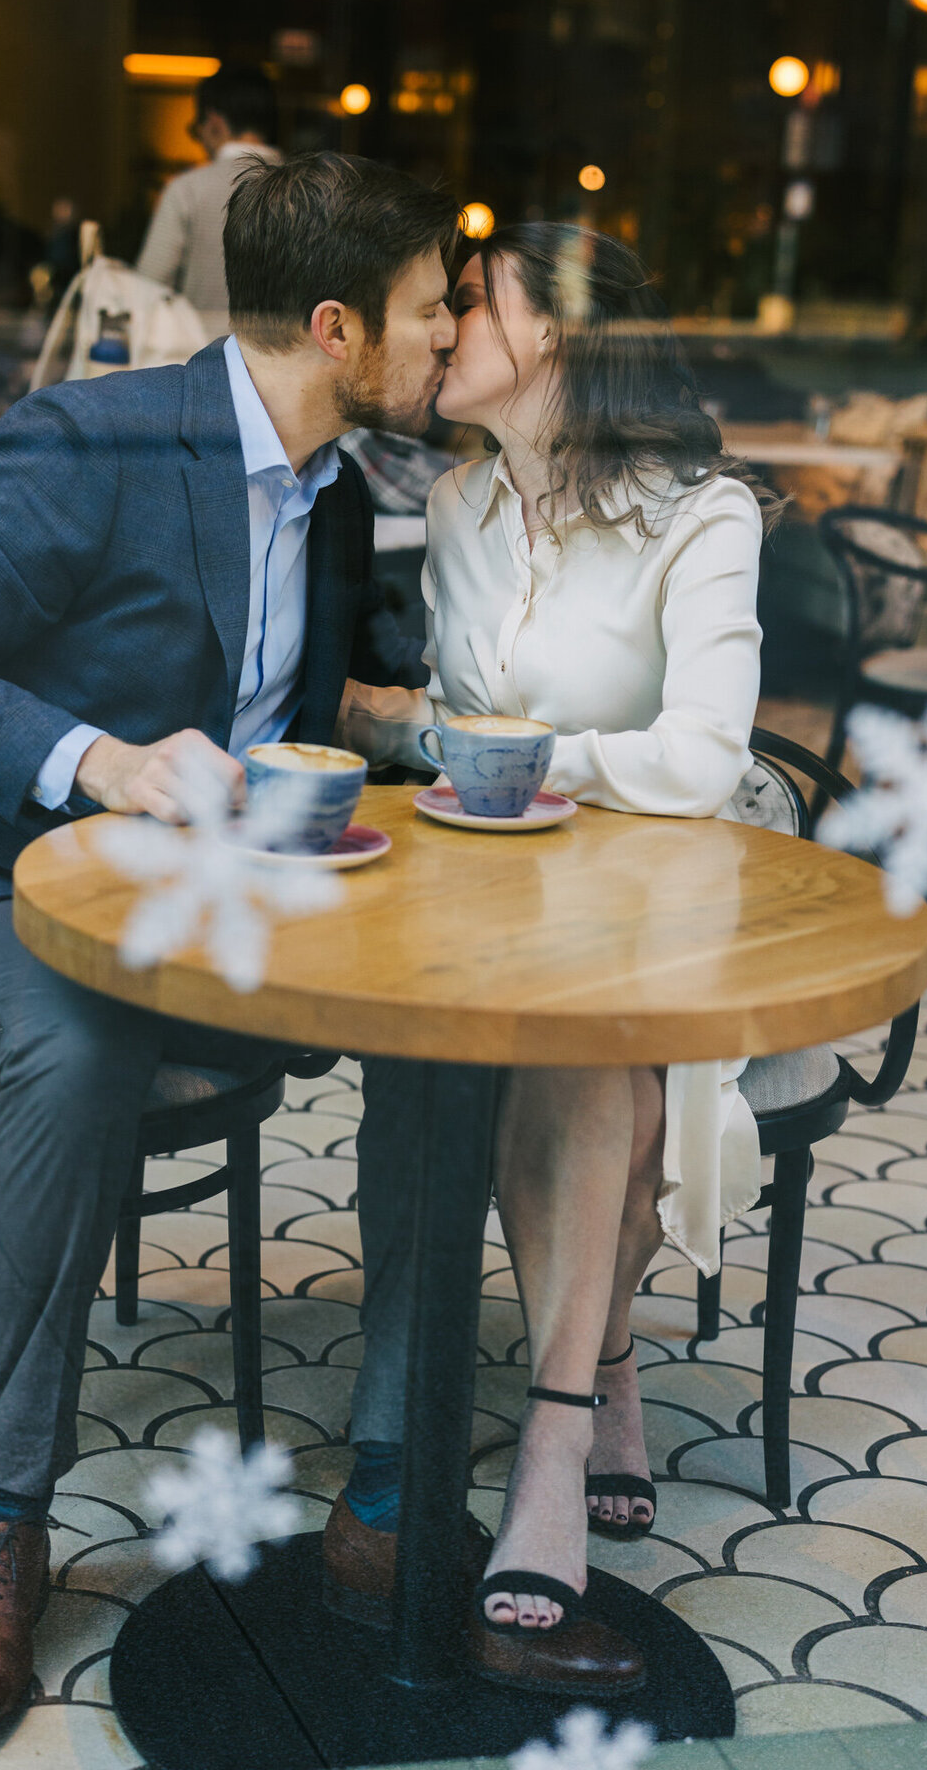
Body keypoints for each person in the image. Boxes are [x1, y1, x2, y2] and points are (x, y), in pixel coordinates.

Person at [0, 150, 456, 1749]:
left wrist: (405, 728)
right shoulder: (96, 437)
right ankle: (3, 1528)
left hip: (197, 913)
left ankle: (386, 1491)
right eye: (432, 310)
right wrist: (98, 759)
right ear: (336, 328)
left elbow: (297, 707)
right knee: (84, 1040)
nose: (450, 335)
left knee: (449, 1029)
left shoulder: (337, 497)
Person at [325, 223, 776, 1690]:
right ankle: (610, 1362)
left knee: (591, 1050)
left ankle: (554, 1438)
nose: (445, 324)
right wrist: (416, 736)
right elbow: (452, 722)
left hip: (678, 910)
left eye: (473, 303)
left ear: (560, 343)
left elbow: (704, 758)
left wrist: (488, 749)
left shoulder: (702, 515)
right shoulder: (458, 505)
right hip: (503, 897)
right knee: (548, 1031)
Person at [137, 64, 280, 337]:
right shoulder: (314, 191)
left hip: (201, 358)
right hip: (288, 365)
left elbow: (148, 287)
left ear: (214, 122)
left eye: (196, 129)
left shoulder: (187, 190)